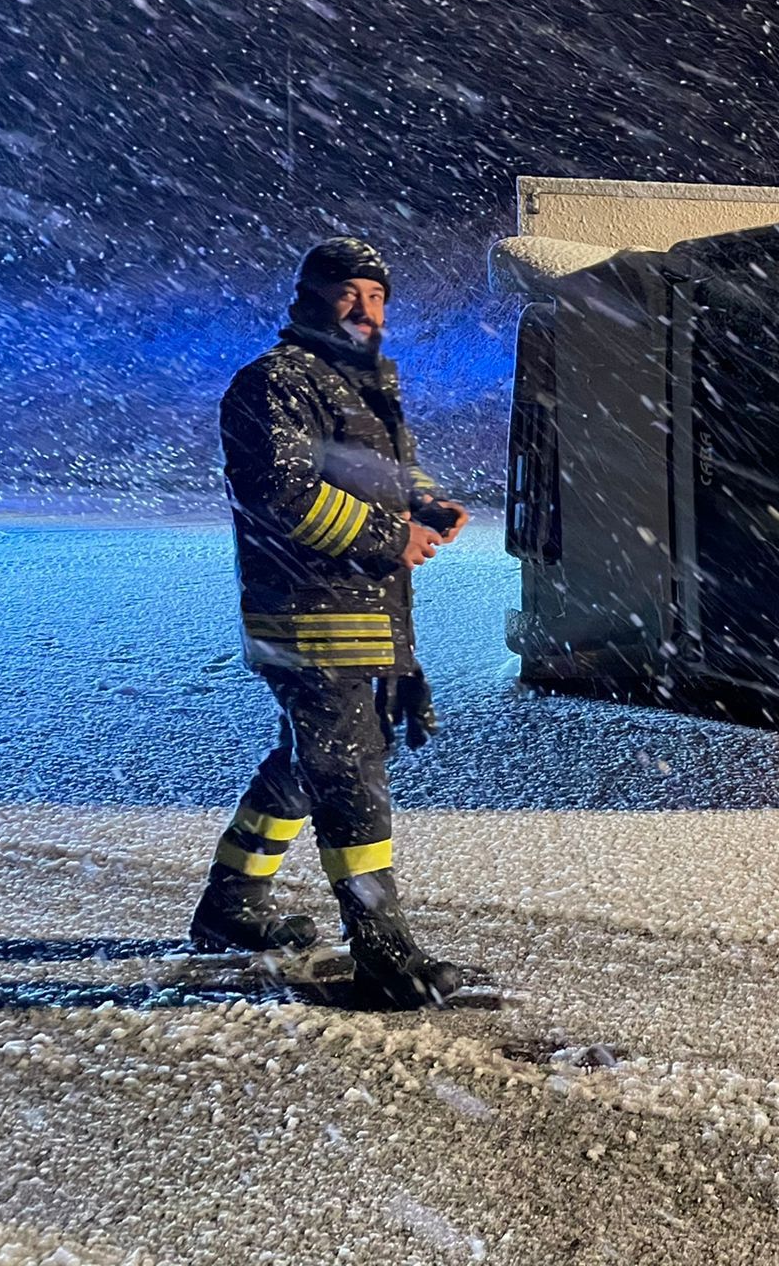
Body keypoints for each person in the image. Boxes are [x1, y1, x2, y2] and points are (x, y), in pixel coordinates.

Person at [189, 237, 472, 1009]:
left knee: (313, 758)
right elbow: (277, 494)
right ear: (309, 293)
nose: (365, 308)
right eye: (350, 291)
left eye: (377, 296)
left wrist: (424, 499)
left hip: (365, 610)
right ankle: (381, 949)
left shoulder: (356, 384)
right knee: (348, 771)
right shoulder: (273, 382)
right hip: (307, 615)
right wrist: (390, 537)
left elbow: (373, 472)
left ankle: (232, 902)